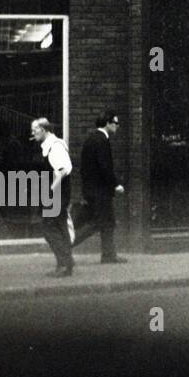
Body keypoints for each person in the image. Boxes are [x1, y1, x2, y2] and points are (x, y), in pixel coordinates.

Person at [73, 111, 126, 264]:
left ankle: (109, 255)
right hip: (100, 191)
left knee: (108, 222)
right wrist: (115, 184)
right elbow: (105, 167)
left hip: (92, 190)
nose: (117, 126)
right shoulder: (101, 140)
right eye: (116, 123)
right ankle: (66, 244)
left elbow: (85, 168)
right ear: (108, 123)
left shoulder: (92, 138)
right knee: (98, 222)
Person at [31, 118, 74, 277]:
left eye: (35, 129)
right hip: (58, 194)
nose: (33, 133)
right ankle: (66, 263)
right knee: (60, 227)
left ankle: (64, 264)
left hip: (57, 195)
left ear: (43, 129)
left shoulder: (55, 147)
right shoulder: (50, 146)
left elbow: (62, 170)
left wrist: (50, 190)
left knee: (49, 229)